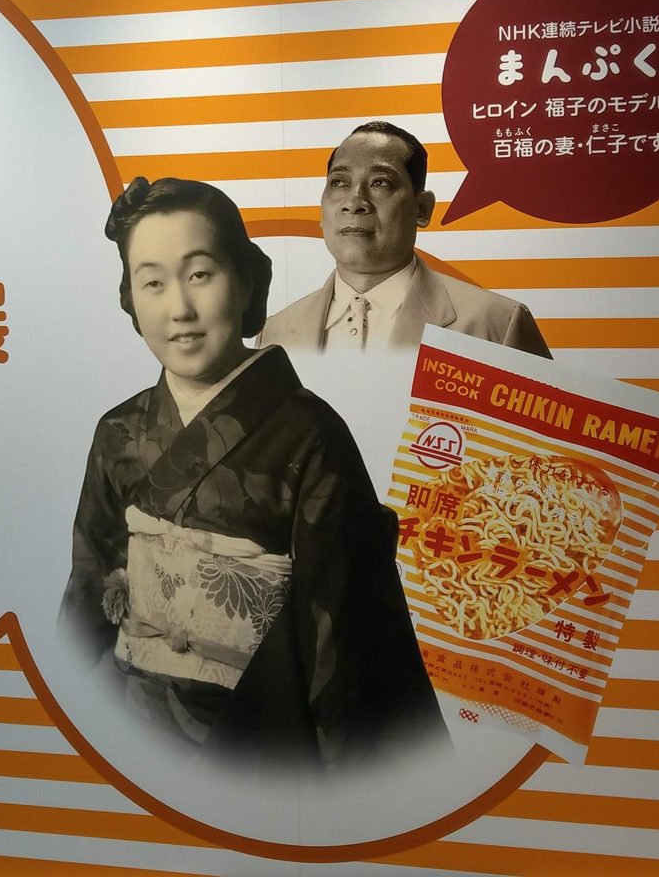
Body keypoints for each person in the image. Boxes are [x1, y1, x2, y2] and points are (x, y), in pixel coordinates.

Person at [60, 177, 447, 773]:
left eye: (200, 274)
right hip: (133, 730)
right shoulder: (119, 432)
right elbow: (88, 595)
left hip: (259, 736)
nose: (179, 309)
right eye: (152, 282)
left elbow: (341, 635)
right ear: (130, 299)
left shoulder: (311, 435)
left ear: (245, 281)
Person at [258, 121, 550, 357]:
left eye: (380, 182)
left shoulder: (496, 326)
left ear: (421, 208)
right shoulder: (275, 333)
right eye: (339, 182)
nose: (354, 202)